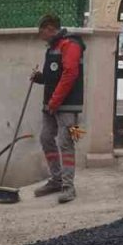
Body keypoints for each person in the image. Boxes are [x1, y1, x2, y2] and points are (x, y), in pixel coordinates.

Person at [30, 14, 85, 204]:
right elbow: (53, 75)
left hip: (67, 105)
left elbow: (70, 74)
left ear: (50, 28)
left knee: (66, 142)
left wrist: (55, 101)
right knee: (46, 138)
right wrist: (40, 77)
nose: (40, 35)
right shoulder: (53, 47)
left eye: (41, 31)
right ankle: (56, 179)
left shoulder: (70, 45)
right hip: (51, 105)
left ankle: (69, 186)